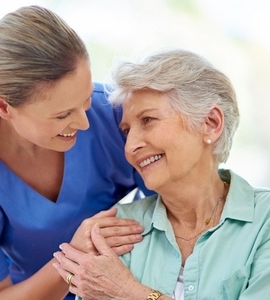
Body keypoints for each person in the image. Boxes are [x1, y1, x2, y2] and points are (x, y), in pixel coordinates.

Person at [53, 49, 270, 299]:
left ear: (211, 123)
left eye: (147, 120)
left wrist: (128, 292)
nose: (130, 146)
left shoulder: (264, 220)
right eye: (126, 131)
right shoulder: (116, 230)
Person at [0, 5, 153, 300]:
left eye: (85, 99)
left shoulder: (116, 116)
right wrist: (73, 257)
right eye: (62, 115)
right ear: (3, 107)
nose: (83, 123)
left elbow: (182, 202)